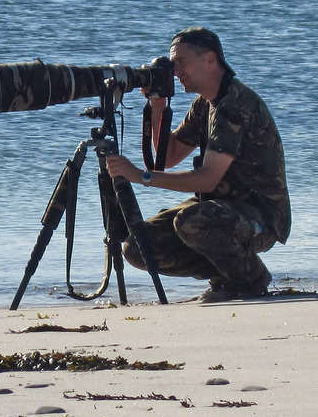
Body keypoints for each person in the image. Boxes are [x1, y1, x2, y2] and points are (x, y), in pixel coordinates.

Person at [106, 27, 291, 302]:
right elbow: (169, 156)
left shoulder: (234, 104)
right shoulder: (206, 104)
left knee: (191, 221)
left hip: (262, 216)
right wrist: (157, 106)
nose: (176, 70)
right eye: (172, 64)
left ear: (209, 59)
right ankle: (228, 276)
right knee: (137, 246)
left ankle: (250, 279)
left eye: (181, 62)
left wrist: (141, 176)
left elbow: (206, 180)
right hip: (223, 207)